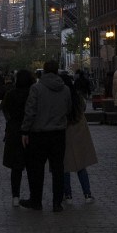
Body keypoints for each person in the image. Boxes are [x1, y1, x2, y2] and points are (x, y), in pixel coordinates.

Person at [20, 60, 72, 212]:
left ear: (43, 71)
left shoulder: (36, 88)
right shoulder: (65, 89)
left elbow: (30, 111)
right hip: (59, 133)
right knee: (58, 169)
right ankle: (57, 203)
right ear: (57, 71)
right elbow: (68, 109)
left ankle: (36, 201)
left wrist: (25, 130)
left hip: (39, 134)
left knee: (37, 169)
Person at [62, 74, 96, 204]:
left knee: (65, 166)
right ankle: (87, 194)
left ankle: (68, 195)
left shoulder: (61, 98)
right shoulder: (78, 98)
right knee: (81, 166)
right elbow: (83, 109)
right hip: (79, 133)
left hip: (65, 133)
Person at [2, 69, 34, 206]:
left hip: (14, 132)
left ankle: (15, 195)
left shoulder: (11, 94)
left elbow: (4, 108)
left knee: (16, 167)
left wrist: (10, 121)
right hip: (31, 131)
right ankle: (34, 194)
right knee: (32, 166)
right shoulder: (32, 94)